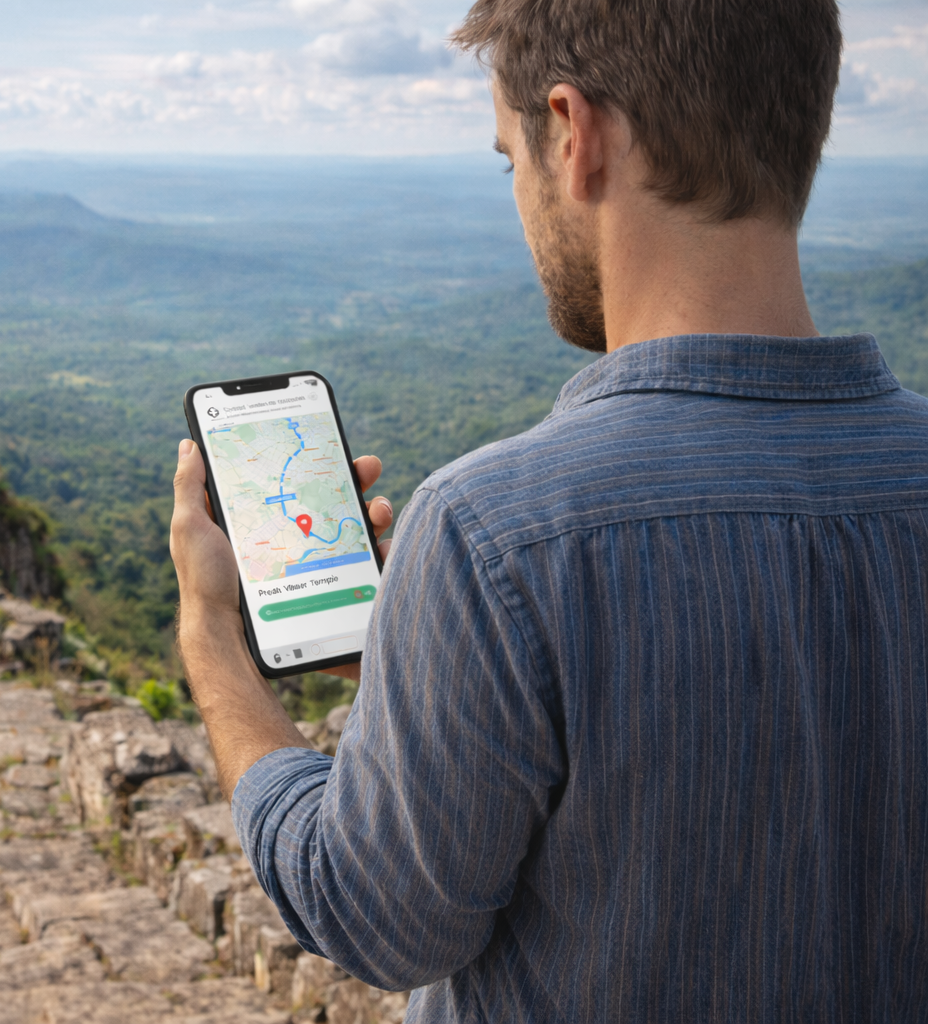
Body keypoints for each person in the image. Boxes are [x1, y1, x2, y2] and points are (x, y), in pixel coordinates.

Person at [169, 0, 928, 1019]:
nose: (517, 191)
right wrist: (420, 662)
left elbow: (374, 916)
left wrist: (215, 640)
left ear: (574, 135)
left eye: (506, 157)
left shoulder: (497, 536)